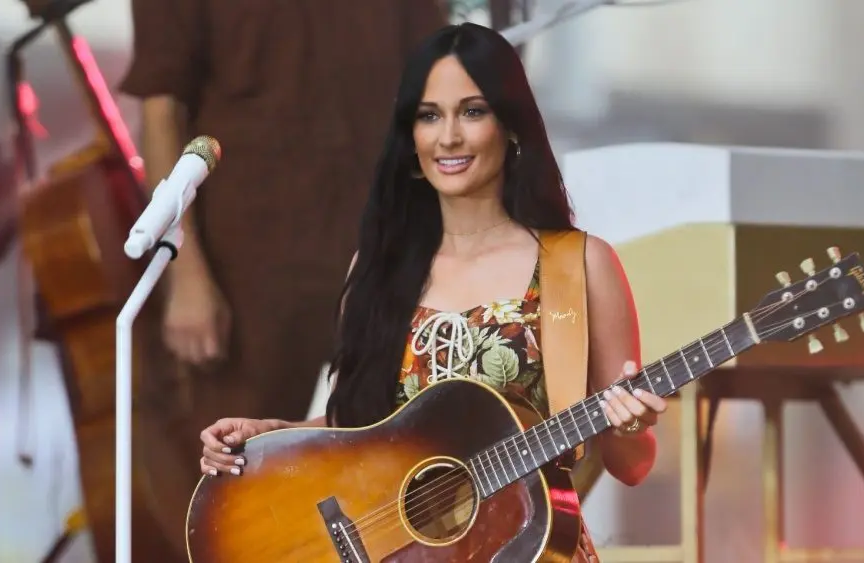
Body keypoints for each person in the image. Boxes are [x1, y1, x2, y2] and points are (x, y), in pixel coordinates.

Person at [197, 22, 668, 562]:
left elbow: (632, 466)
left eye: (472, 111)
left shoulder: (579, 264)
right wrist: (270, 438)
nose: (448, 137)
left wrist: (630, 425)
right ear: (411, 138)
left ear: (511, 126)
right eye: (429, 115)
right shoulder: (379, 271)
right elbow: (362, 427)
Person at [117, 0, 447, 556]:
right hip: (247, 270)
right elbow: (161, 108)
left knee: (399, 469)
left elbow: (435, 86)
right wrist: (187, 274)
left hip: (379, 254)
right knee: (227, 486)